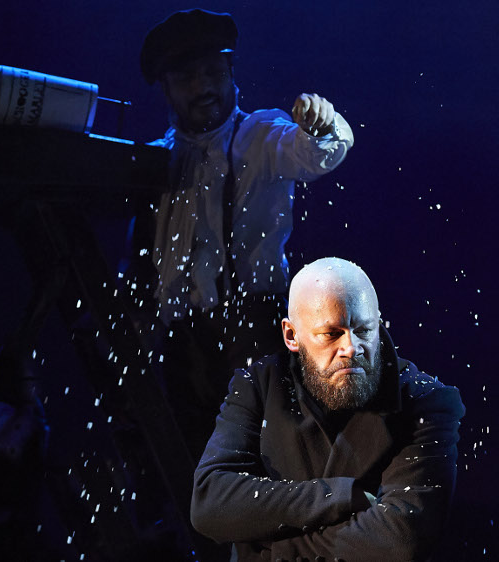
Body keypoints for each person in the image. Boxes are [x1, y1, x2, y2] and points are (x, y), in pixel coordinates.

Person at [128, 9, 354, 463]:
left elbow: (317, 152)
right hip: (180, 343)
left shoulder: (259, 135)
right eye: (188, 78)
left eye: (213, 72)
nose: (204, 87)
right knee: (188, 468)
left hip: (252, 332)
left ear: (231, 73)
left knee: (259, 470)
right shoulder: (158, 160)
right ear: (167, 89)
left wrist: (324, 122)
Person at [191, 257, 466, 561]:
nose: (351, 347)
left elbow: (401, 539)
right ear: (291, 336)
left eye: (363, 329)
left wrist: (267, 549)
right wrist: (341, 497)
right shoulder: (258, 386)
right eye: (331, 334)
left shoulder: (426, 401)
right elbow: (209, 502)